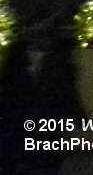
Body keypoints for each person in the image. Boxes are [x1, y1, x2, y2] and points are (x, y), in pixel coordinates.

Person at [0, 26, 85, 175]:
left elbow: (66, 87)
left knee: (42, 157)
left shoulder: (57, 55)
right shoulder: (58, 55)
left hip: (42, 116)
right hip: (29, 116)